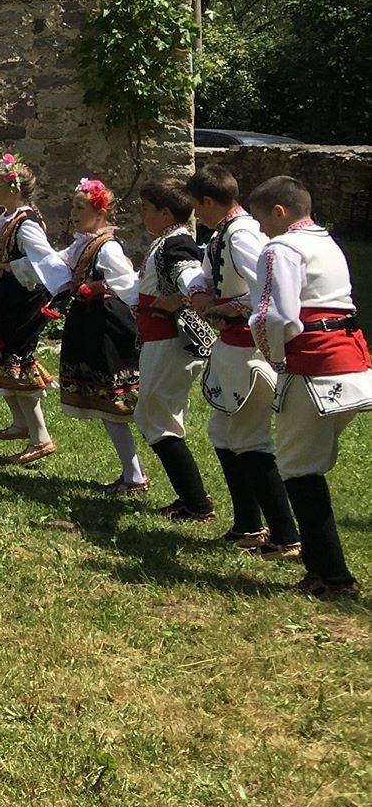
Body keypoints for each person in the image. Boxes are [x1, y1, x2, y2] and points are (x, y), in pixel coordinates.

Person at [248, 175, 366, 599]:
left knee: (300, 470)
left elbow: (272, 316)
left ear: (279, 212)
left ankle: (333, 576)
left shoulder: (281, 248)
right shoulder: (327, 243)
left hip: (312, 366)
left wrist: (274, 357)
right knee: (310, 466)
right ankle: (322, 570)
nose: (259, 230)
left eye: (262, 219)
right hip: (352, 364)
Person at [186, 165, 300, 558]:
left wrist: (220, 306)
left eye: (196, 207)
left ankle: (285, 534)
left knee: (250, 438)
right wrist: (200, 291)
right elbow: (205, 273)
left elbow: (264, 293)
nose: (195, 215)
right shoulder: (223, 233)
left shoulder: (243, 234)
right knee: (222, 432)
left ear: (208, 201)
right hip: (230, 348)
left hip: (251, 349)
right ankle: (248, 524)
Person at [0, 154, 68, 464]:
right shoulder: (5, 219)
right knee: (5, 360)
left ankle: (41, 438)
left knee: (19, 363)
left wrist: (9, 265)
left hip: (23, 301)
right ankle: (22, 424)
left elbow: (46, 260)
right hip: (5, 297)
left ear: (15, 188)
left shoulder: (26, 223)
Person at [52, 177, 149, 495]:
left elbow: (129, 287)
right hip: (88, 322)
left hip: (107, 326)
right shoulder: (84, 243)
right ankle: (132, 473)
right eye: (73, 207)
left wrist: (104, 289)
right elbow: (56, 264)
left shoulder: (107, 247)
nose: (74, 213)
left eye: (80, 207)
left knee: (115, 403)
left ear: (100, 211)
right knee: (109, 405)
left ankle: (135, 476)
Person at [131, 180, 215, 521]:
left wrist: (184, 297)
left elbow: (191, 275)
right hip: (158, 339)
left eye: (146, 209)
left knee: (157, 416)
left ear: (165, 213)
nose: (142, 215)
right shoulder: (165, 241)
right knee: (153, 414)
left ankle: (196, 502)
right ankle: (191, 498)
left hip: (170, 340)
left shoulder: (177, 242)